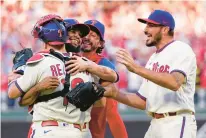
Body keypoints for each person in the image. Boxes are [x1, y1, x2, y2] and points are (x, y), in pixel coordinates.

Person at [104, 9, 197, 138]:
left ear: (164, 29)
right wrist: (115, 93)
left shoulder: (181, 48)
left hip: (176, 121)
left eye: (151, 25)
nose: (145, 30)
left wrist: (136, 68)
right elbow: (143, 101)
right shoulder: (153, 59)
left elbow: (174, 82)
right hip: (155, 123)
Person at [8, 14, 95, 138]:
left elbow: (13, 94)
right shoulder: (87, 64)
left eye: (79, 34)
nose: (77, 36)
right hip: (82, 131)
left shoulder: (40, 61)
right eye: (73, 31)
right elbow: (112, 79)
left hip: (50, 130)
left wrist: (18, 71)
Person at [66, 20, 128, 138]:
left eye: (93, 35)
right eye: (85, 34)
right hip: (76, 126)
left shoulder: (104, 63)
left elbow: (111, 82)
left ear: (100, 43)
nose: (87, 38)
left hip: (104, 126)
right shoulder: (71, 59)